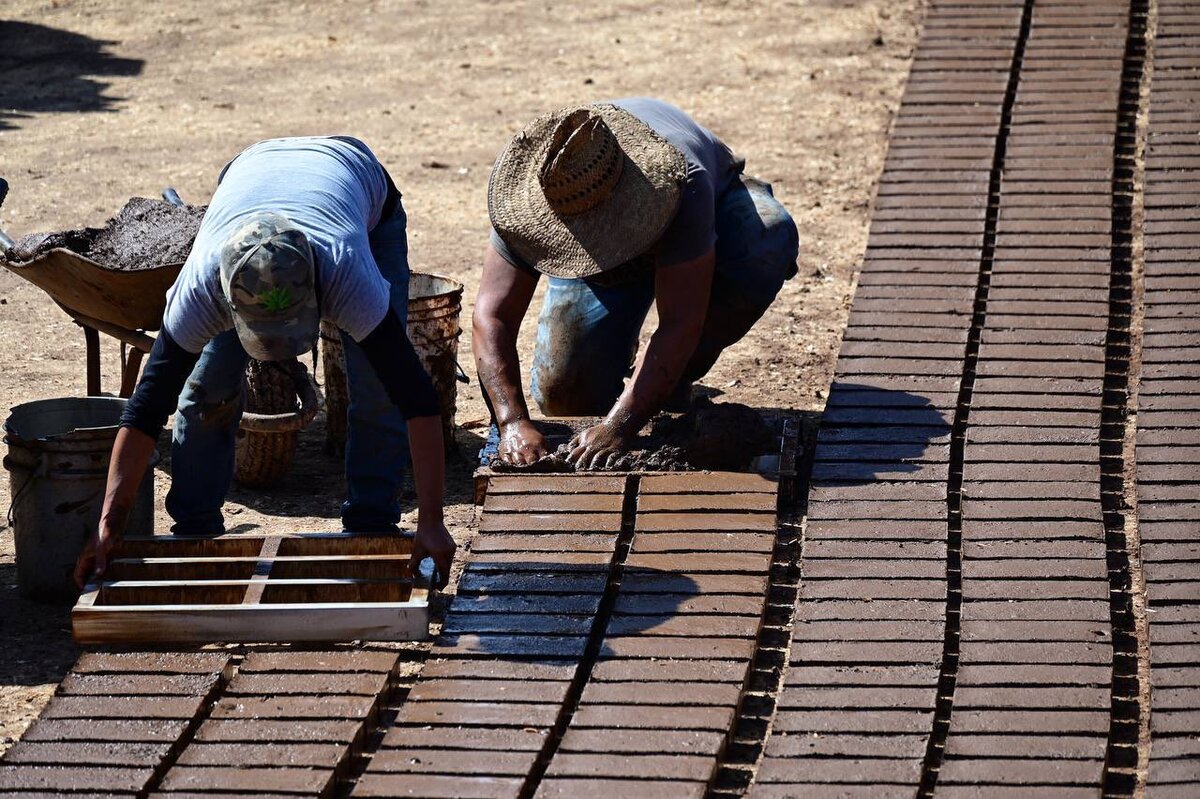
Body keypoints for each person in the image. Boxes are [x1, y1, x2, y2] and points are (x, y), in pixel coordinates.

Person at [74, 136, 455, 589]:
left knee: (376, 385)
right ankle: (195, 533)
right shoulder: (202, 291)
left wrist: (432, 521)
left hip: (358, 182)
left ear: (317, 292)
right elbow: (146, 410)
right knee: (207, 388)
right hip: (250, 170)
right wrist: (109, 525)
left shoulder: (347, 274)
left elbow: (415, 399)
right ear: (231, 307)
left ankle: (371, 527)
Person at [474, 97, 799, 469]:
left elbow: (681, 321)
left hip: (715, 220)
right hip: (604, 262)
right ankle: (647, 378)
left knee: (764, 245)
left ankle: (671, 381)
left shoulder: (677, 180)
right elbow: (492, 317)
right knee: (569, 396)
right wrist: (511, 422)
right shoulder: (535, 198)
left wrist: (622, 423)